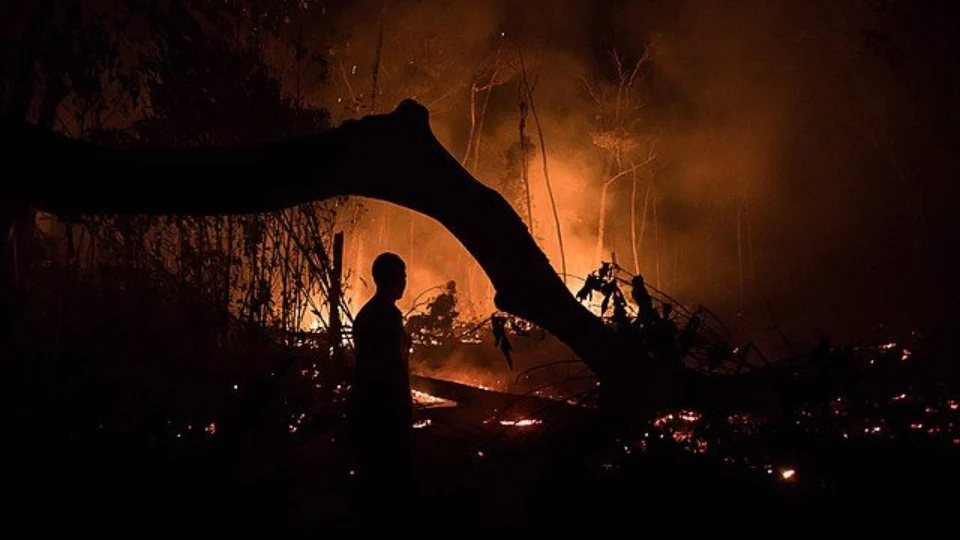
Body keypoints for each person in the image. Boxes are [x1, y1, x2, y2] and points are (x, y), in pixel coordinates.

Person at [345, 252, 413, 525]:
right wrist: (402, 408)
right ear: (389, 279)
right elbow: (393, 368)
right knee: (388, 484)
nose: (404, 281)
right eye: (402, 276)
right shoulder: (387, 316)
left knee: (370, 481)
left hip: (366, 407)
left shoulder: (367, 314)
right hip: (384, 411)